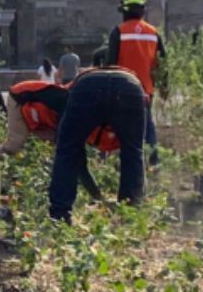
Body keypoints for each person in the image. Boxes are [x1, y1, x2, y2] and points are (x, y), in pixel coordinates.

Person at [48, 67, 148, 223]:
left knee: (67, 150)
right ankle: (130, 214)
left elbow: (70, 149)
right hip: (130, 87)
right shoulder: (129, 77)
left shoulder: (73, 87)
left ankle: (60, 216)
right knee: (133, 152)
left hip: (87, 87)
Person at [106, 0, 166, 166]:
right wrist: (164, 87)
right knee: (147, 124)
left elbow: (110, 63)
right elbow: (162, 63)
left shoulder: (119, 32)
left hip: (122, 88)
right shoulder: (153, 33)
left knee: (121, 126)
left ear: (124, 10)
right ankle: (154, 161)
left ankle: (123, 163)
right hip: (146, 90)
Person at [0, 79, 120, 157]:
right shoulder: (64, 102)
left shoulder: (71, 104)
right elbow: (63, 134)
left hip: (37, 113)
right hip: (19, 97)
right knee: (17, 140)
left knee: (54, 140)